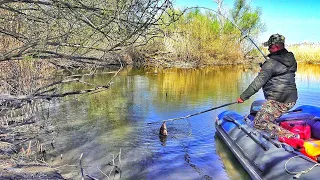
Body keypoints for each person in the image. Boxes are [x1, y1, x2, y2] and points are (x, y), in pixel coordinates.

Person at [237, 33, 298, 139]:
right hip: (291, 99)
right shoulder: (291, 59)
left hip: (278, 100)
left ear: (277, 46)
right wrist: (267, 67)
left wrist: (243, 97)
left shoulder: (270, 64)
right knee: (266, 116)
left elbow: (258, 82)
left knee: (259, 123)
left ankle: (291, 137)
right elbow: (281, 71)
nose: (268, 49)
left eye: (270, 46)